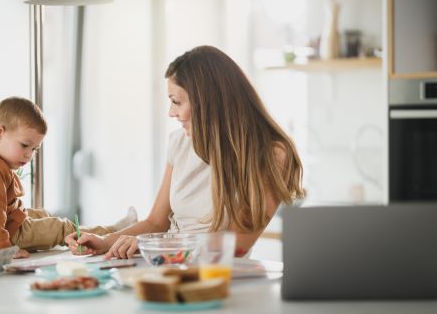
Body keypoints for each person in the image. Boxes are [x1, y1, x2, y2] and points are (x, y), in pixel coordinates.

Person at [65, 45, 305, 259]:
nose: (171, 113)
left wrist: (152, 245)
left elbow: (238, 244)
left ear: (207, 101)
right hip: (167, 264)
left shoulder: (272, 155)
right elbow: (156, 222)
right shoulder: (179, 142)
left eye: (176, 102)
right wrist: (105, 242)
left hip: (217, 277)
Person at [0, 97, 137, 258]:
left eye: (34, 149)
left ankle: (108, 231)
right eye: (25, 145)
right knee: (61, 228)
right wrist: (3, 250)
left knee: (42, 215)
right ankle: (115, 233)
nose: (29, 155)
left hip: (6, 223)